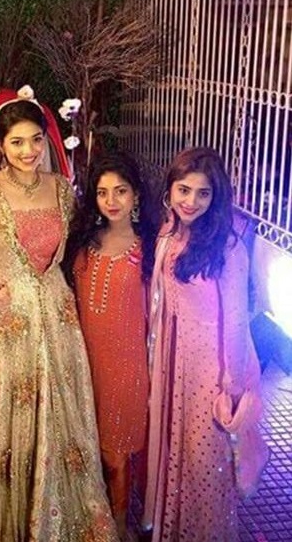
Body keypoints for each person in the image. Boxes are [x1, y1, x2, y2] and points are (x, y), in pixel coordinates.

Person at [0, 99, 118, 542]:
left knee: (61, 415)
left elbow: (75, 248)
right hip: (3, 322)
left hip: (56, 319)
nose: (29, 150)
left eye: (36, 140)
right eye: (17, 142)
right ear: (0, 145)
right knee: (2, 423)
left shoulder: (61, 189)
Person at [143, 147, 267, 541]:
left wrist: (231, 383)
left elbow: (236, 318)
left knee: (205, 460)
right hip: (172, 356)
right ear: (170, 189)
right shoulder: (169, 232)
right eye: (183, 190)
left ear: (216, 197)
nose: (191, 202)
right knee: (174, 449)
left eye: (203, 193)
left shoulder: (227, 246)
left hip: (210, 368)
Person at [66, 152, 156, 539]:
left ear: (135, 195)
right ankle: (93, 514)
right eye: (102, 193)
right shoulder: (82, 242)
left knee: (117, 453)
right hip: (84, 362)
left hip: (127, 366)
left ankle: (118, 525)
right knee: (91, 445)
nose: (111, 201)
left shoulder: (149, 249)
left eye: (121, 191)